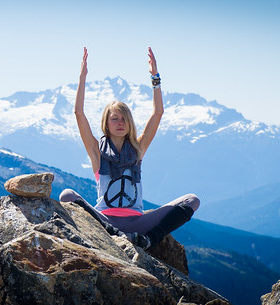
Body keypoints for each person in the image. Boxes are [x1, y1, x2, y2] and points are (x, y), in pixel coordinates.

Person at [59, 47, 200, 250]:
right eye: (114, 118)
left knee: (192, 200)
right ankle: (117, 235)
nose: (120, 122)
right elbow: (78, 113)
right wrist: (82, 77)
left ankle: (149, 239)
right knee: (66, 195)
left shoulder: (137, 149)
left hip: (138, 222)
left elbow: (158, 113)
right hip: (104, 219)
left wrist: (155, 78)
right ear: (106, 124)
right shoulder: (97, 152)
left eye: (124, 118)